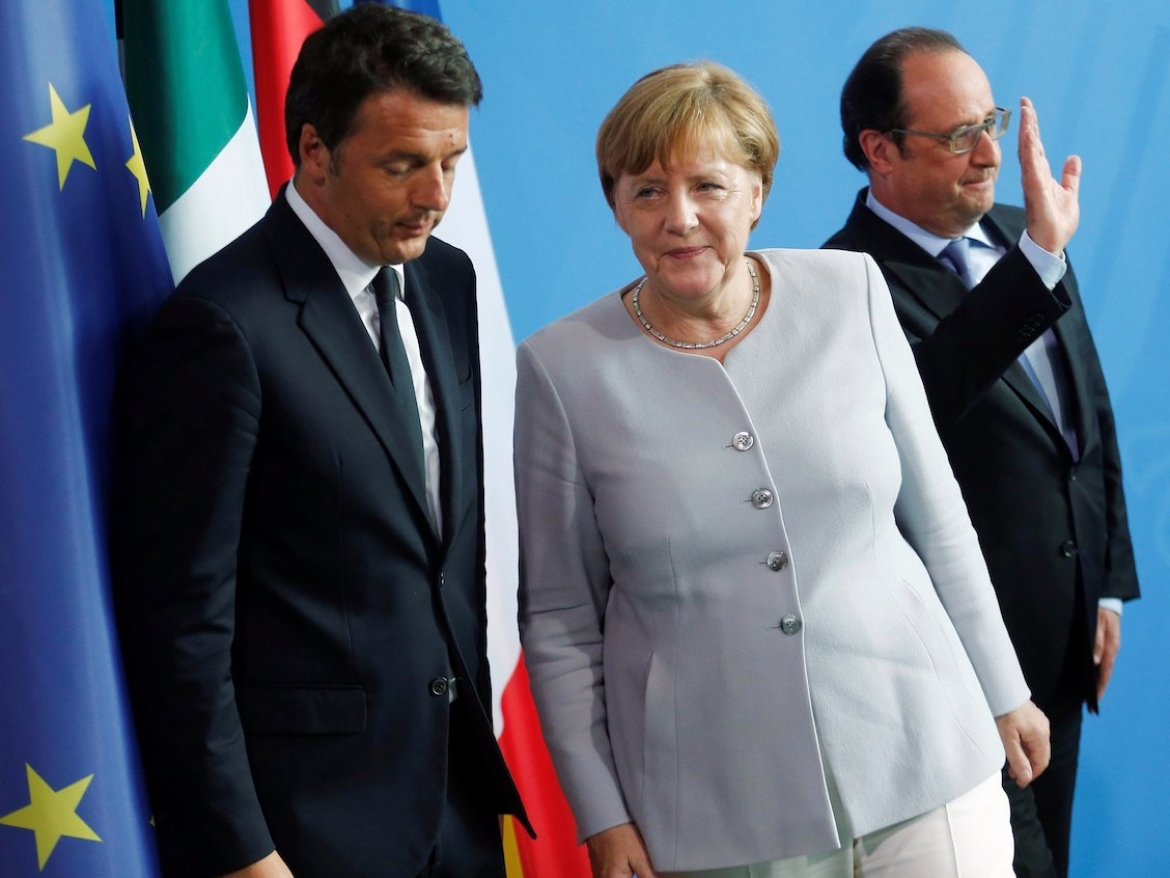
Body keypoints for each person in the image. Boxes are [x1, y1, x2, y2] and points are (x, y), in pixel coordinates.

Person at [514, 60, 1049, 878]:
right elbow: (560, 619)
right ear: (616, 205)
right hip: (714, 807)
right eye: (648, 191)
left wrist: (1005, 689)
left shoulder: (850, 289)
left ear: (757, 191)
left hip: (924, 746)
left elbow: (937, 513)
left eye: (708, 186)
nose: (680, 217)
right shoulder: (561, 369)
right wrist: (602, 815)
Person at [110, 6, 530, 877]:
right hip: (307, 830)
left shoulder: (445, 278)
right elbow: (182, 624)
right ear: (314, 152)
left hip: (454, 811)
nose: (436, 196)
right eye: (402, 165)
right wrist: (242, 850)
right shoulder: (222, 325)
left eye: (451, 161)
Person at [823, 27, 1141, 878]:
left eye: (990, 122)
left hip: (1065, 636)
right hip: (956, 665)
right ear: (880, 150)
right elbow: (922, 406)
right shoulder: (843, 281)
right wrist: (1039, 259)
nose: (991, 153)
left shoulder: (1022, 235)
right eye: (960, 134)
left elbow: (1085, 414)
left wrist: (1107, 584)